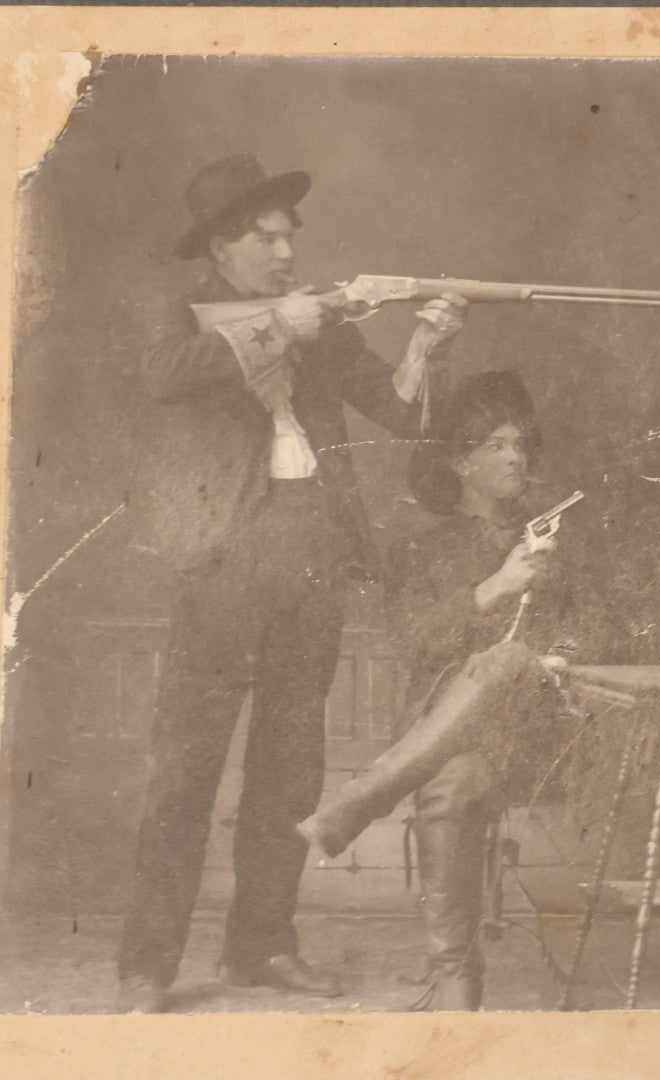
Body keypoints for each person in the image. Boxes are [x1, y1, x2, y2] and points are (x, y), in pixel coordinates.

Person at [117, 153, 466, 1013]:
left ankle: (262, 947)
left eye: (289, 238)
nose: (284, 253)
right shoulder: (175, 311)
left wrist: (423, 343)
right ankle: (146, 967)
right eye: (266, 239)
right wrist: (281, 328)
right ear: (220, 247)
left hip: (311, 555)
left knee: (289, 769)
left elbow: (395, 410)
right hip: (221, 559)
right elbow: (165, 376)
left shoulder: (320, 320)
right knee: (183, 777)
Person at [297, 371, 577, 1010]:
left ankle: (364, 796)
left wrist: (556, 644)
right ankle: (457, 973)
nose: (516, 456)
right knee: (453, 781)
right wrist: (492, 590)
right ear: (459, 462)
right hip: (451, 737)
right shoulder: (421, 550)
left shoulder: (555, 539)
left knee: (507, 661)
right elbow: (412, 645)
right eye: (496, 445)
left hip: (542, 723)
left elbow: (606, 627)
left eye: (521, 444)